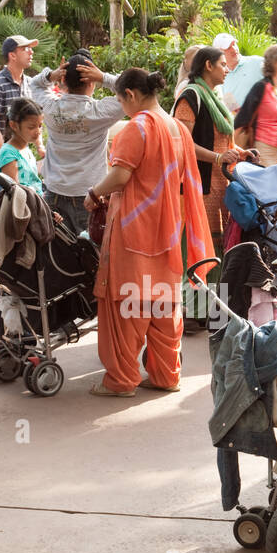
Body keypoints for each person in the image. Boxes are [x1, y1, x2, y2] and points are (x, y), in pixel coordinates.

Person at [83, 68, 212, 397]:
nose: (121, 105)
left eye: (119, 98)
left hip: (134, 230)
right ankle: (166, 376)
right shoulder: (176, 129)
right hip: (168, 230)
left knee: (128, 302)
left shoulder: (136, 127)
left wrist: (95, 193)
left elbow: (120, 177)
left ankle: (121, 381)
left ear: (130, 95)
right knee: (163, 303)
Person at [28, 52, 126, 235]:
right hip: (88, 197)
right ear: (92, 81)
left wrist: (52, 76)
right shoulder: (100, 112)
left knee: (53, 254)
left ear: (63, 81)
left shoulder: (50, 107)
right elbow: (131, 91)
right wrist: (104, 77)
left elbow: (34, 84)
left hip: (53, 194)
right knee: (87, 257)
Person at [173, 46, 245, 254]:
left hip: (220, 183)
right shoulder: (190, 96)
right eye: (222, 64)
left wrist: (240, 152)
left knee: (218, 249)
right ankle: (198, 287)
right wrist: (218, 157)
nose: (227, 69)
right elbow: (183, 144)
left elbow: (220, 141)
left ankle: (215, 286)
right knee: (200, 251)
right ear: (208, 65)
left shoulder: (213, 96)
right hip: (199, 186)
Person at [0, 36, 37, 198]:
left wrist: (38, 146)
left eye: (31, 48)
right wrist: (7, 153)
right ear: (12, 55)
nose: (31, 52)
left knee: (18, 208)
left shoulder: (29, 83)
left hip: (22, 154)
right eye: (25, 49)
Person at [214, 32, 277, 114]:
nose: (234, 49)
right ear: (219, 52)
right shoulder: (220, 74)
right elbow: (227, 101)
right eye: (228, 47)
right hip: (240, 128)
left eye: (234, 44)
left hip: (264, 123)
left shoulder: (256, 62)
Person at [233, 43, 277, 166]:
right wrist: (229, 150)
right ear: (275, 62)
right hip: (263, 151)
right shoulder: (261, 87)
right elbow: (241, 120)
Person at [0, 98, 45, 193]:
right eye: (31, 127)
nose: (38, 131)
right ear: (13, 125)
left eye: (40, 126)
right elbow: (14, 194)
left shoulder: (25, 148)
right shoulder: (9, 153)